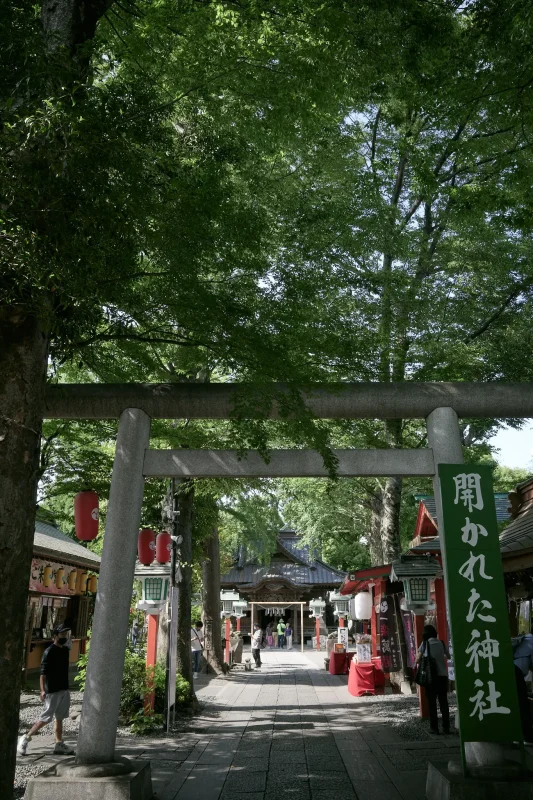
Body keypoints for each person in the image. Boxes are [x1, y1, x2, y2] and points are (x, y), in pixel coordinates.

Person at [17, 624, 75, 756]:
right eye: (62, 635)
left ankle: (59, 744)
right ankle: (26, 738)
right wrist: (42, 690)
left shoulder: (65, 650)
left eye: (66, 635)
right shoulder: (49, 652)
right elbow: (42, 673)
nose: (65, 637)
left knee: (60, 717)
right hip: (52, 689)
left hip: (64, 688)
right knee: (46, 718)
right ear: (55, 636)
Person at [416, 624, 450, 735]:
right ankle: (446, 727)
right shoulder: (441, 643)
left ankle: (434, 728)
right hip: (443, 677)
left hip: (431, 678)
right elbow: (448, 656)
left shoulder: (425, 644)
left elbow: (417, 659)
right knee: (444, 703)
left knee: (432, 703)